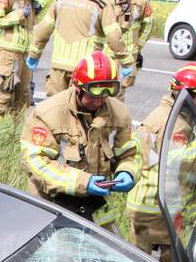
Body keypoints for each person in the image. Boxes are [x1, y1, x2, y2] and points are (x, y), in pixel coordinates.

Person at [21, 50, 140, 226]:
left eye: (107, 93)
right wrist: (83, 181)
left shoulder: (119, 114)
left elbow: (129, 154)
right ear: (78, 87)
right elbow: (36, 162)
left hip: (94, 207)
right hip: (52, 207)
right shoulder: (48, 114)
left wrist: (127, 171)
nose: (99, 102)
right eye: (93, 95)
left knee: (111, 251)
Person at [127, 63, 196, 262]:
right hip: (157, 206)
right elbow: (178, 161)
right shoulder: (175, 122)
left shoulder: (164, 113)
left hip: (145, 202)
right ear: (182, 93)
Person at [25, 0, 134, 97]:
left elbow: (43, 30)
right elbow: (113, 37)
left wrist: (34, 56)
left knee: (55, 111)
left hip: (58, 67)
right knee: (79, 111)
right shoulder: (102, 3)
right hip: (85, 69)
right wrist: (127, 61)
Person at [100, 0, 153, 98]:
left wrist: (138, 46)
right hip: (107, 55)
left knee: (118, 96)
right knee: (102, 93)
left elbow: (148, 25)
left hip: (128, 58)